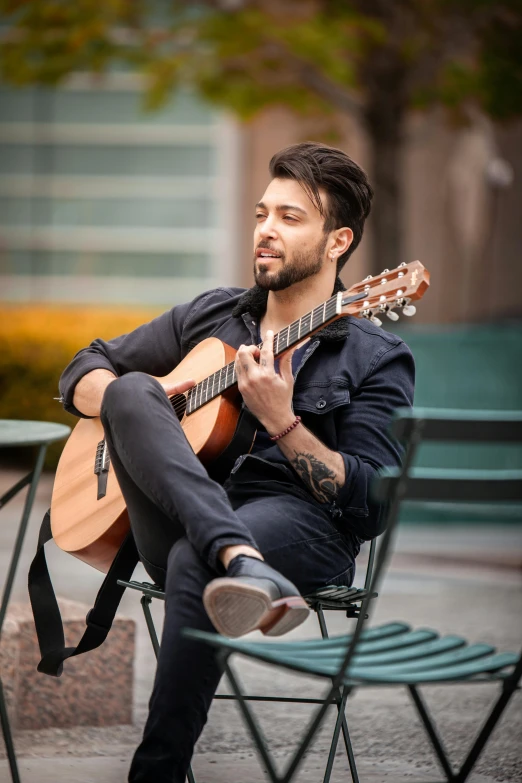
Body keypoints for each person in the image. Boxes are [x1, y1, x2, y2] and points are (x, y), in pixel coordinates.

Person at [58, 141, 415, 782]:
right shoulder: (214, 314)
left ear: (338, 241)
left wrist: (284, 422)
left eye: (290, 218)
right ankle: (235, 553)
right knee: (132, 388)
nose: (266, 232)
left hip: (297, 525)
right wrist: (128, 407)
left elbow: (370, 503)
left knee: (202, 554)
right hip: (182, 515)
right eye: (261, 214)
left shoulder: (374, 354)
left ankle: (157, 772)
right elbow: (82, 367)